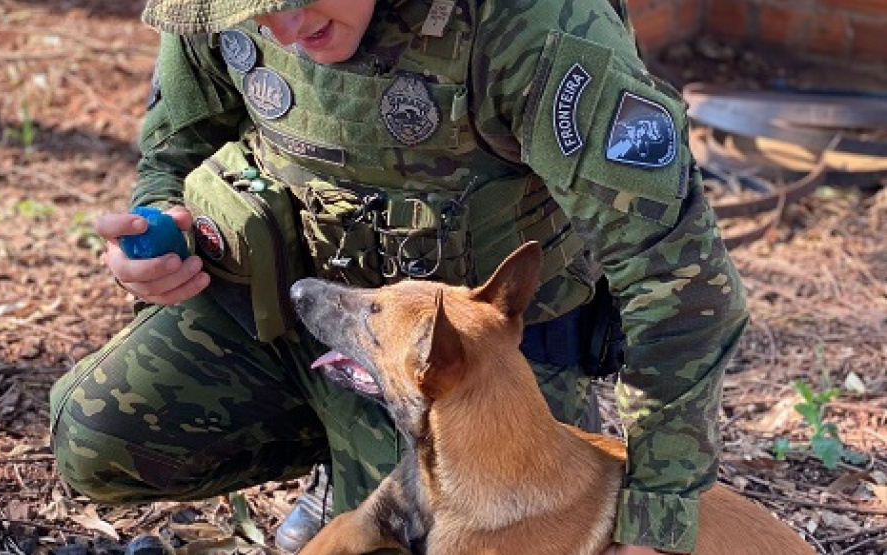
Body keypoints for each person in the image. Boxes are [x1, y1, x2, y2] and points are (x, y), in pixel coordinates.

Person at [49, 0, 749, 553]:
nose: (286, 30)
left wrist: (656, 514)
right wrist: (157, 223)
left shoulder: (536, 25)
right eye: (258, 9)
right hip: (302, 313)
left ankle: (358, 467)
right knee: (96, 438)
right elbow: (178, 139)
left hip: (475, 377)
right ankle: (335, 450)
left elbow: (677, 279)